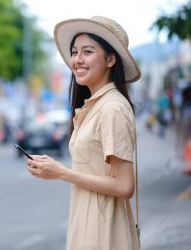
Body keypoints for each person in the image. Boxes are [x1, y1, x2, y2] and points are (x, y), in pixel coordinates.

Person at [25, 16, 141, 249]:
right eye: (74, 52)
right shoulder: (95, 106)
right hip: (87, 226)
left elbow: (124, 185)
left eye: (87, 52)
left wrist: (61, 172)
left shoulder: (112, 108)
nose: (77, 60)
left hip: (103, 233)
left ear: (110, 59)